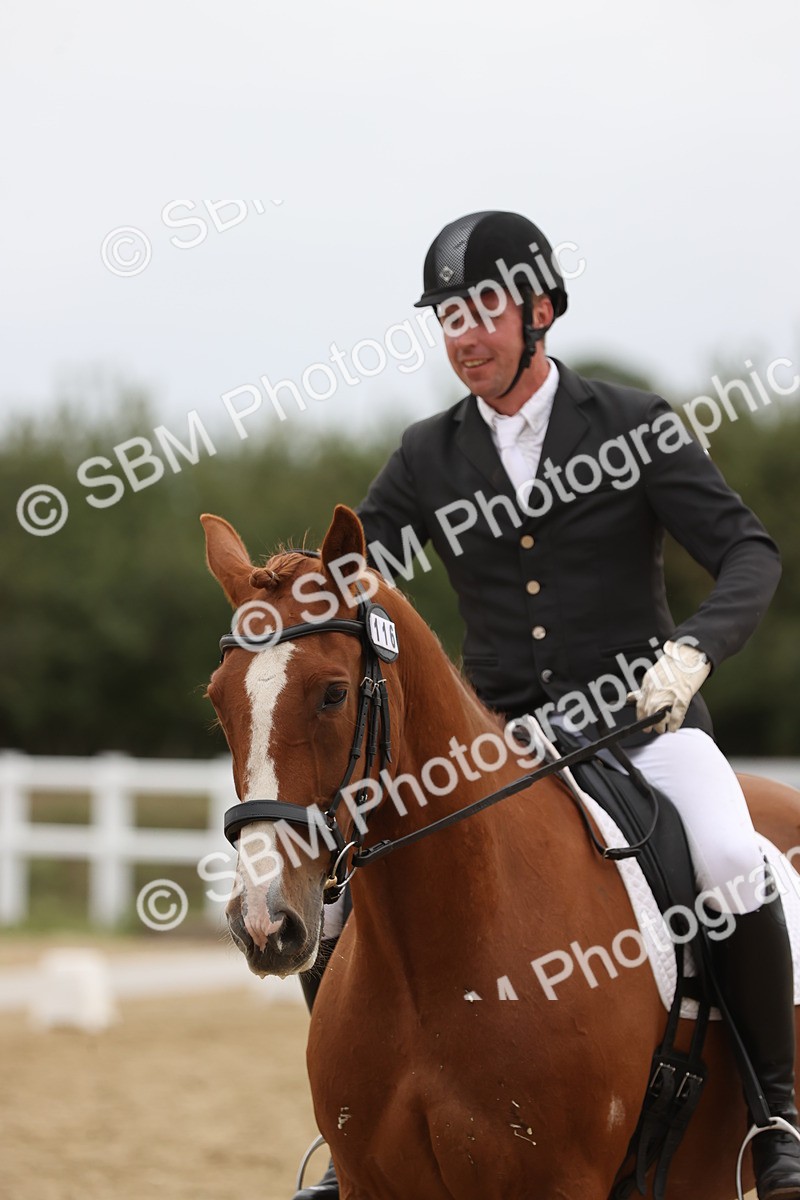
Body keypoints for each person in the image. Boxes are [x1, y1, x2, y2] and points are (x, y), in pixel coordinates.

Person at [293, 211, 796, 1200]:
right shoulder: (426, 456)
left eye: (480, 309)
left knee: (736, 857)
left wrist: (692, 650)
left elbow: (748, 551)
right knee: (353, 884)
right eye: (445, 316)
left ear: (537, 311)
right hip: (496, 746)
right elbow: (346, 580)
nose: (462, 334)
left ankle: (775, 1116)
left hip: (642, 728)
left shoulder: (630, 425)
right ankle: (351, 1133)